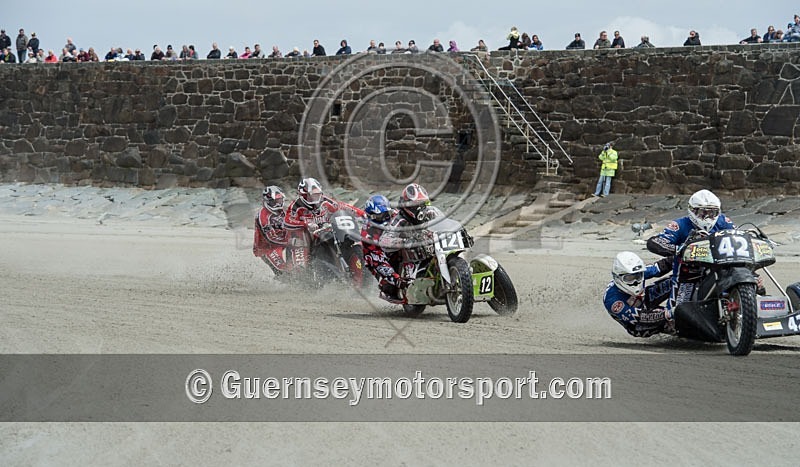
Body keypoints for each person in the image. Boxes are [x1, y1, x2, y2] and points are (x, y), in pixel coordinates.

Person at [646, 189, 737, 308]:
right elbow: (657, 241)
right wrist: (679, 249)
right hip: (688, 275)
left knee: (755, 281)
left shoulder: (724, 221)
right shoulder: (680, 224)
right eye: (703, 213)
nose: (708, 217)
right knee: (676, 312)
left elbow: (738, 237)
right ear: (692, 210)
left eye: (713, 213)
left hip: (720, 268)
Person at [283, 178, 363, 267]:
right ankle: (303, 274)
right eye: (312, 195)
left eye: (317, 195)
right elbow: (287, 221)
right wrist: (305, 224)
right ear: (303, 195)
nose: (315, 198)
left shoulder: (325, 201)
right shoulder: (296, 206)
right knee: (300, 266)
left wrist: (363, 215)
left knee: (349, 239)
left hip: (327, 233)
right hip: (306, 238)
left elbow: (343, 206)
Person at [603, 252, 675, 338]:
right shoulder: (612, 300)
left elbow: (660, 267)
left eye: (638, 276)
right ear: (617, 277)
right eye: (629, 279)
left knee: (674, 280)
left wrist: (679, 257)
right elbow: (638, 317)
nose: (635, 282)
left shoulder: (639, 271)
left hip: (645, 300)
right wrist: (668, 314)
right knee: (671, 322)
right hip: (637, 325)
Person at [361, 194, 406, 303]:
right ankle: (390, 287)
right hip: (379, 259)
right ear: (372, 217)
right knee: (389, 286)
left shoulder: (394, 215)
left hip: (400, 246)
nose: (386, 218)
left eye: (387, 214)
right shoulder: (368, 235)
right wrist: (396, 279)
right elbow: (378, 262)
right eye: (381, 216)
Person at [253, 186, 291, 264]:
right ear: (268, 201)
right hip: (266, 248)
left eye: (279, 200)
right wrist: (289, 241)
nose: (278, 204)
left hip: (282, 242)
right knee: (283, 271)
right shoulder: (263, 216)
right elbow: (270, 238)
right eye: (274, 202)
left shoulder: (284, 211)